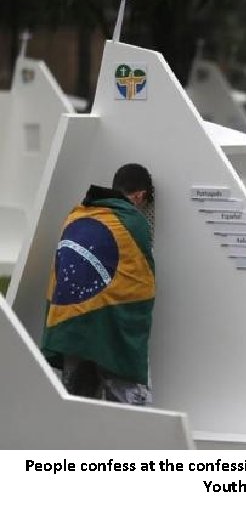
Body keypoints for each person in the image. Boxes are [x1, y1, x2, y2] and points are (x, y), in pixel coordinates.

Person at [41, 163, 155, 406]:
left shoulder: (77, 214)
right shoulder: (133, 221)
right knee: (129, 408)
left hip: (70, 323)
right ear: (140, 196)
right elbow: (141, 283)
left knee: (78, 405)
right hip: (110, 328)